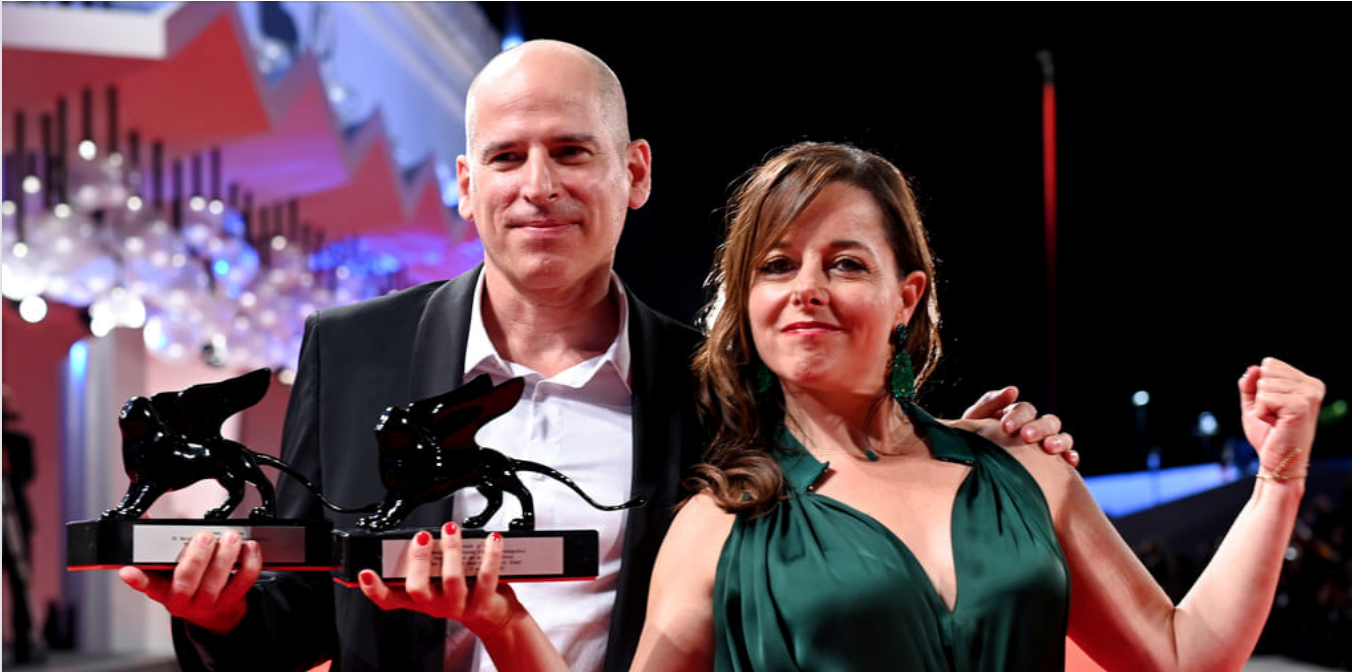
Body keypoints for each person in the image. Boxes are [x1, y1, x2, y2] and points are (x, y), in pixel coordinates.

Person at [119, 44, 1072, 672]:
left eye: (573, 152)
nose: (539, 187)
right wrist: (220, 612)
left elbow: (850, 455)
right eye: (506, 158)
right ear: (464, 184)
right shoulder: (351, 349)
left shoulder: (715, 385)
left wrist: (967, 444)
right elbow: (296, 616)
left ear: (636, 173)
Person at [439, 141, 1325, 672]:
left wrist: (1278, 480)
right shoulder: (720, 523)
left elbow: (1184, 653)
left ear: (908, 297)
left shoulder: (1025, 473)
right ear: (746, 304)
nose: (807, 289)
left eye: (847, 263)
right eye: (777, 265)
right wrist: (505, 622)